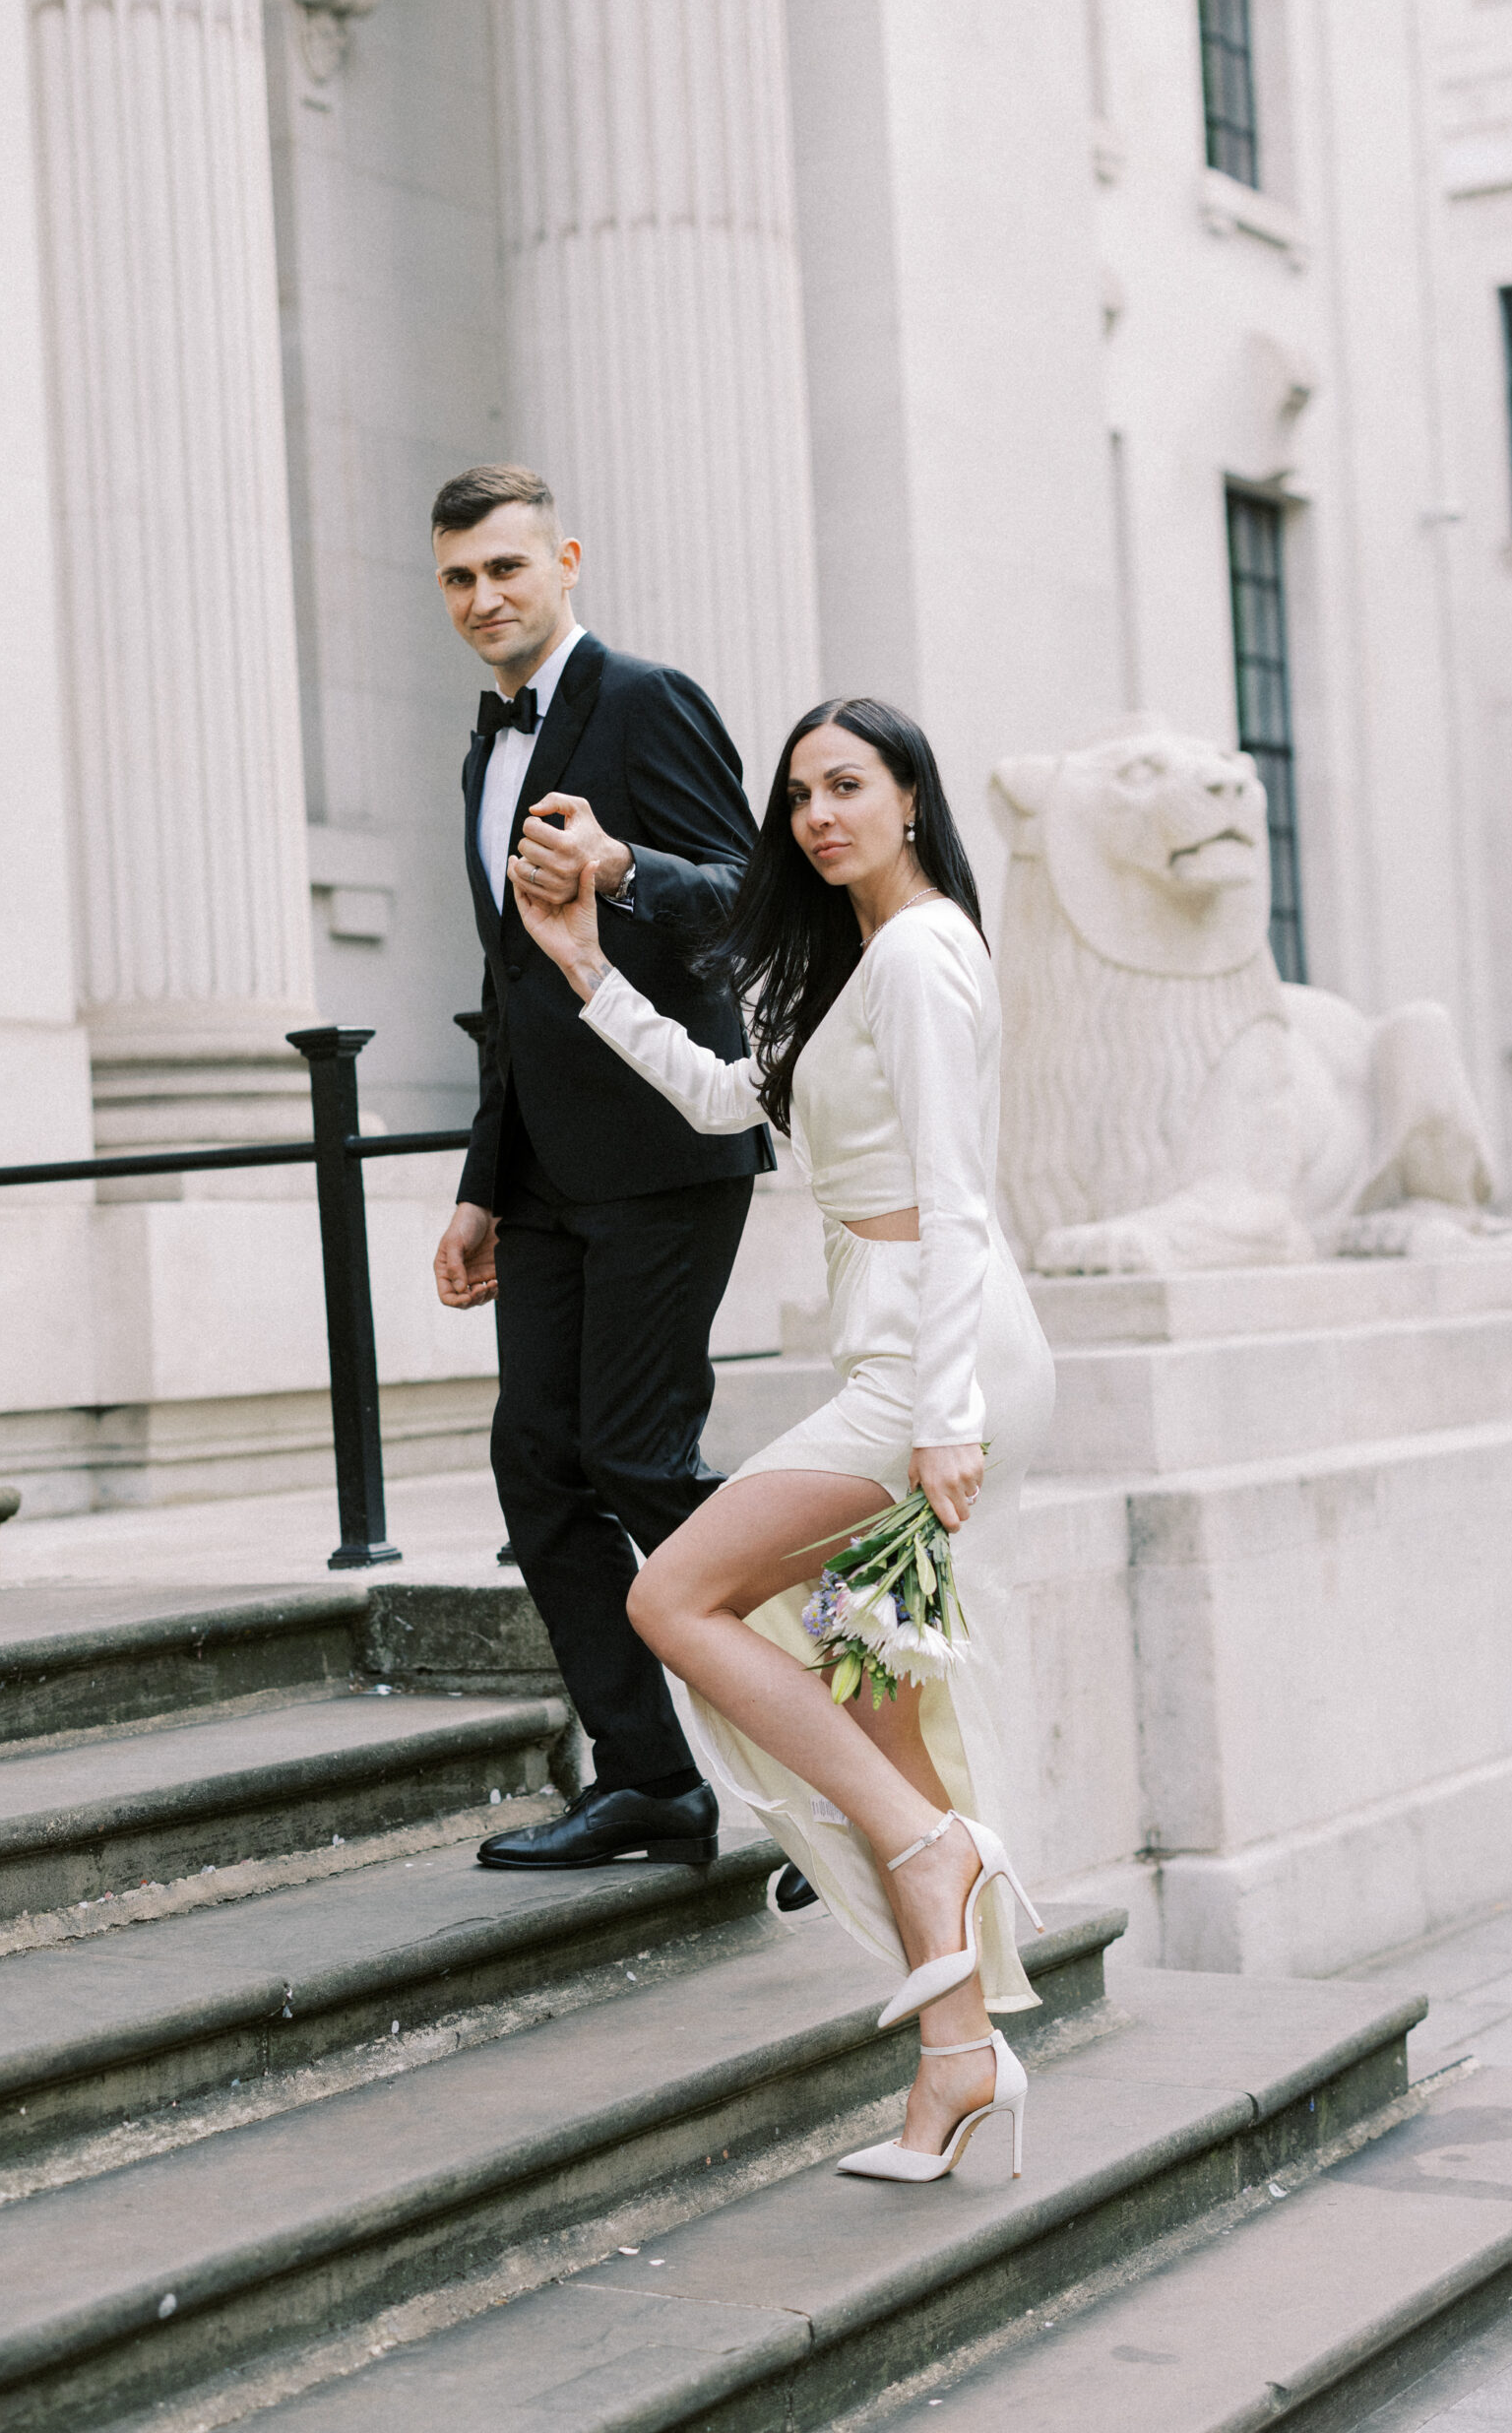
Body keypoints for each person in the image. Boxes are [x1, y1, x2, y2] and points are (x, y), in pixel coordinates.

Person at [509, 696, 1057, 2180]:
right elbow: (717, 1104)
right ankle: (959, 2062)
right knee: (876, 1692)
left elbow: (954, 1194)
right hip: (902, 1347)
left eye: (849, 787)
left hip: (932, 1362)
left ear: (910, 799)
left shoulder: (928, 951)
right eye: (800, 796)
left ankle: (926, 1846)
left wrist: (942, 1419)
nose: (820, 815)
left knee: (672, 1594)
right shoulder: (854, 965)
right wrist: (580, 970)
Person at [430, 464, 773, 1871]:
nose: (483, 599)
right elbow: (509, 989)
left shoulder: (643, 700)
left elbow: (756, 904)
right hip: (547, 1178)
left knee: (638, 1456)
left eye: (506, 568)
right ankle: (650, 1780)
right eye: (457, 578)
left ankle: (845, 1735)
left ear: (564, 561)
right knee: (539, 1469)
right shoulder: (480, 750)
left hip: (664, 1150)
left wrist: (624, 867)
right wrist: (479, 1182)